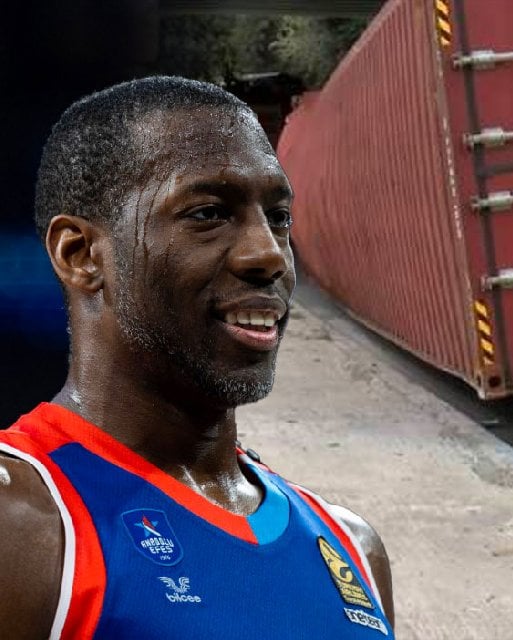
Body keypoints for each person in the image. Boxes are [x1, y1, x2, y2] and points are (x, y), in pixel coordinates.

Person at [0, 76, 395, 639]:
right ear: (82, 254)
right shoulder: (22, 527)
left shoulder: (354, 549)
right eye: (209, 213)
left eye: (278, 217)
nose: (270, 255)